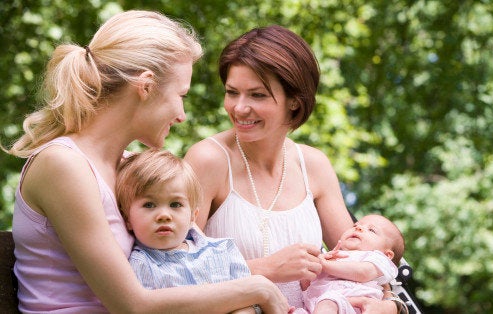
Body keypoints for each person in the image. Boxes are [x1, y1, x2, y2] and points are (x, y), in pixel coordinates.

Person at [5, 10, 287, 313]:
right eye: (181, 95)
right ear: (146, 86)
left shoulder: (131, 168)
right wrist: (259, 288)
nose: (181, 115)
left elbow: (200, 258)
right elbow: (133, 306)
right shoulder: (63, 165)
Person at [184, 25, 404, 313]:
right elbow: (173, 270)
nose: (239, 108)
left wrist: (391, 307)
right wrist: (265, 268)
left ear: (295, 101)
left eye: (257, 95)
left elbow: (370, 262)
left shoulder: (313, 165)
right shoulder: (208, 160)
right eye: (231, 92)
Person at [115, 149, 251, 289]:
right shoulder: (139, 266)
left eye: (175, 204)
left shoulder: (224, 250)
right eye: (149, 205)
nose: (164, 216)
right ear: (127, 219)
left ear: (193, 215)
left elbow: (250, 301)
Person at [299, 214, 406, 314]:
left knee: (328, 302)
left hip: (350, 304)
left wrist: (325, 265)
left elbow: (363, 273)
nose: (358, 228)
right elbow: (307, 284)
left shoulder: (378, 260)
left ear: (387, 255)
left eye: (371, 230)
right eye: (355, 225)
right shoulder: (333, 256)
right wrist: (313, 267)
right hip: (315, 305)